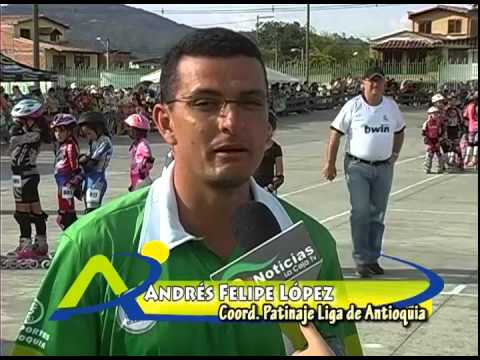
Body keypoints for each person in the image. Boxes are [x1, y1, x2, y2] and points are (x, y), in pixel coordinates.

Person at [13, 28, 361, 356]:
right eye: (206, 103)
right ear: (165, 123)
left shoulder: (312, 246)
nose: (231, 122)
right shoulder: (95, 247)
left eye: (250, 103)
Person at [322, 65, 406, 278]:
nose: (375, 85)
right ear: (363, 84)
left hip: (383, 167)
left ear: (385, 83)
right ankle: (361, 259)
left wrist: (394, 154)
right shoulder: (353, 106)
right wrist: (329, 163)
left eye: (379, 81)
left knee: (377, 214)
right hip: (357, 166)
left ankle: (372, 258)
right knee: (360, 212)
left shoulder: (391, 107)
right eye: (371, 81)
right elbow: (335, 134)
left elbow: (399, 131)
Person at [8, 99, 49, 259]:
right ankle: (40, 243)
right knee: (35, 210)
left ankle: (25, 245)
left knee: (22, 212)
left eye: (22, 120)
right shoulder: (32, 133)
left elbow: (13, 142)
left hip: (24, 175)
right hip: (27, 175)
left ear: (31, 120)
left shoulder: (33, 135)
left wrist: (17, 132)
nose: (18, 124)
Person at [77, 111, 113, 213]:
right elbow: (87, 156)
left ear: (98, 129)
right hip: (89, 178)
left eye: (89, 133)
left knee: (92, 208)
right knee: (88, 207)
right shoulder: (94, 142)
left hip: (97, 178)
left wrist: (84, 160)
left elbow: (93, 160)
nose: (88, 137)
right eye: (85, 135)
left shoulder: (105, 141)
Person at [51, 113, 81, 230]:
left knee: (67, 213)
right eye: (56, 130)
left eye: (61, 130)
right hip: (60, 181)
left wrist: (75, 181)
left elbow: (75, 166)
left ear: (69, 131)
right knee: (63, 209)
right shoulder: (60, 146)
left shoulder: (70, 146)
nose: (58, 134)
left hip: (66, 181)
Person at [253, 111, 284, 194]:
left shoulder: (276, 148)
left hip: (267, 189)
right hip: (252, 188)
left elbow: (280, 176)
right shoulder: (252, 145)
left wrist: (270, 188)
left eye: (268, 128)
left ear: (273, 130)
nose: (265, 131)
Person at [124, 113, 155, 191]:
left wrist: (142, 171)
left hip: (141, 180)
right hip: (136, 180)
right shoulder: (136, 144)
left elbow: (149, 159)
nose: (128, 131)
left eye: (130, 129)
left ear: (138, 130)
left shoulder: (142, 144)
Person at [422, 107, 445, 174]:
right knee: (429, 154)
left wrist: (440, 139)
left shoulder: (439, 123)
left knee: (438, 154)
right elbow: (424, 133)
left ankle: (440, 167)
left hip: (436, 139)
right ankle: (427, 168)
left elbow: (441, 132)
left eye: (437, 113)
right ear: (430, 115)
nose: (436, 115)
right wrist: (427, 141)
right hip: (430, 140)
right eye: (434, 114)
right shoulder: (426, 123)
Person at [463, 92, 478, 168]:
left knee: (470, 144)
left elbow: (465, 117)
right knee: (476, 144)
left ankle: (466, 159)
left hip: (471, 128)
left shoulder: (469, 106)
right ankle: (474, 160)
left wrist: (465, 129)